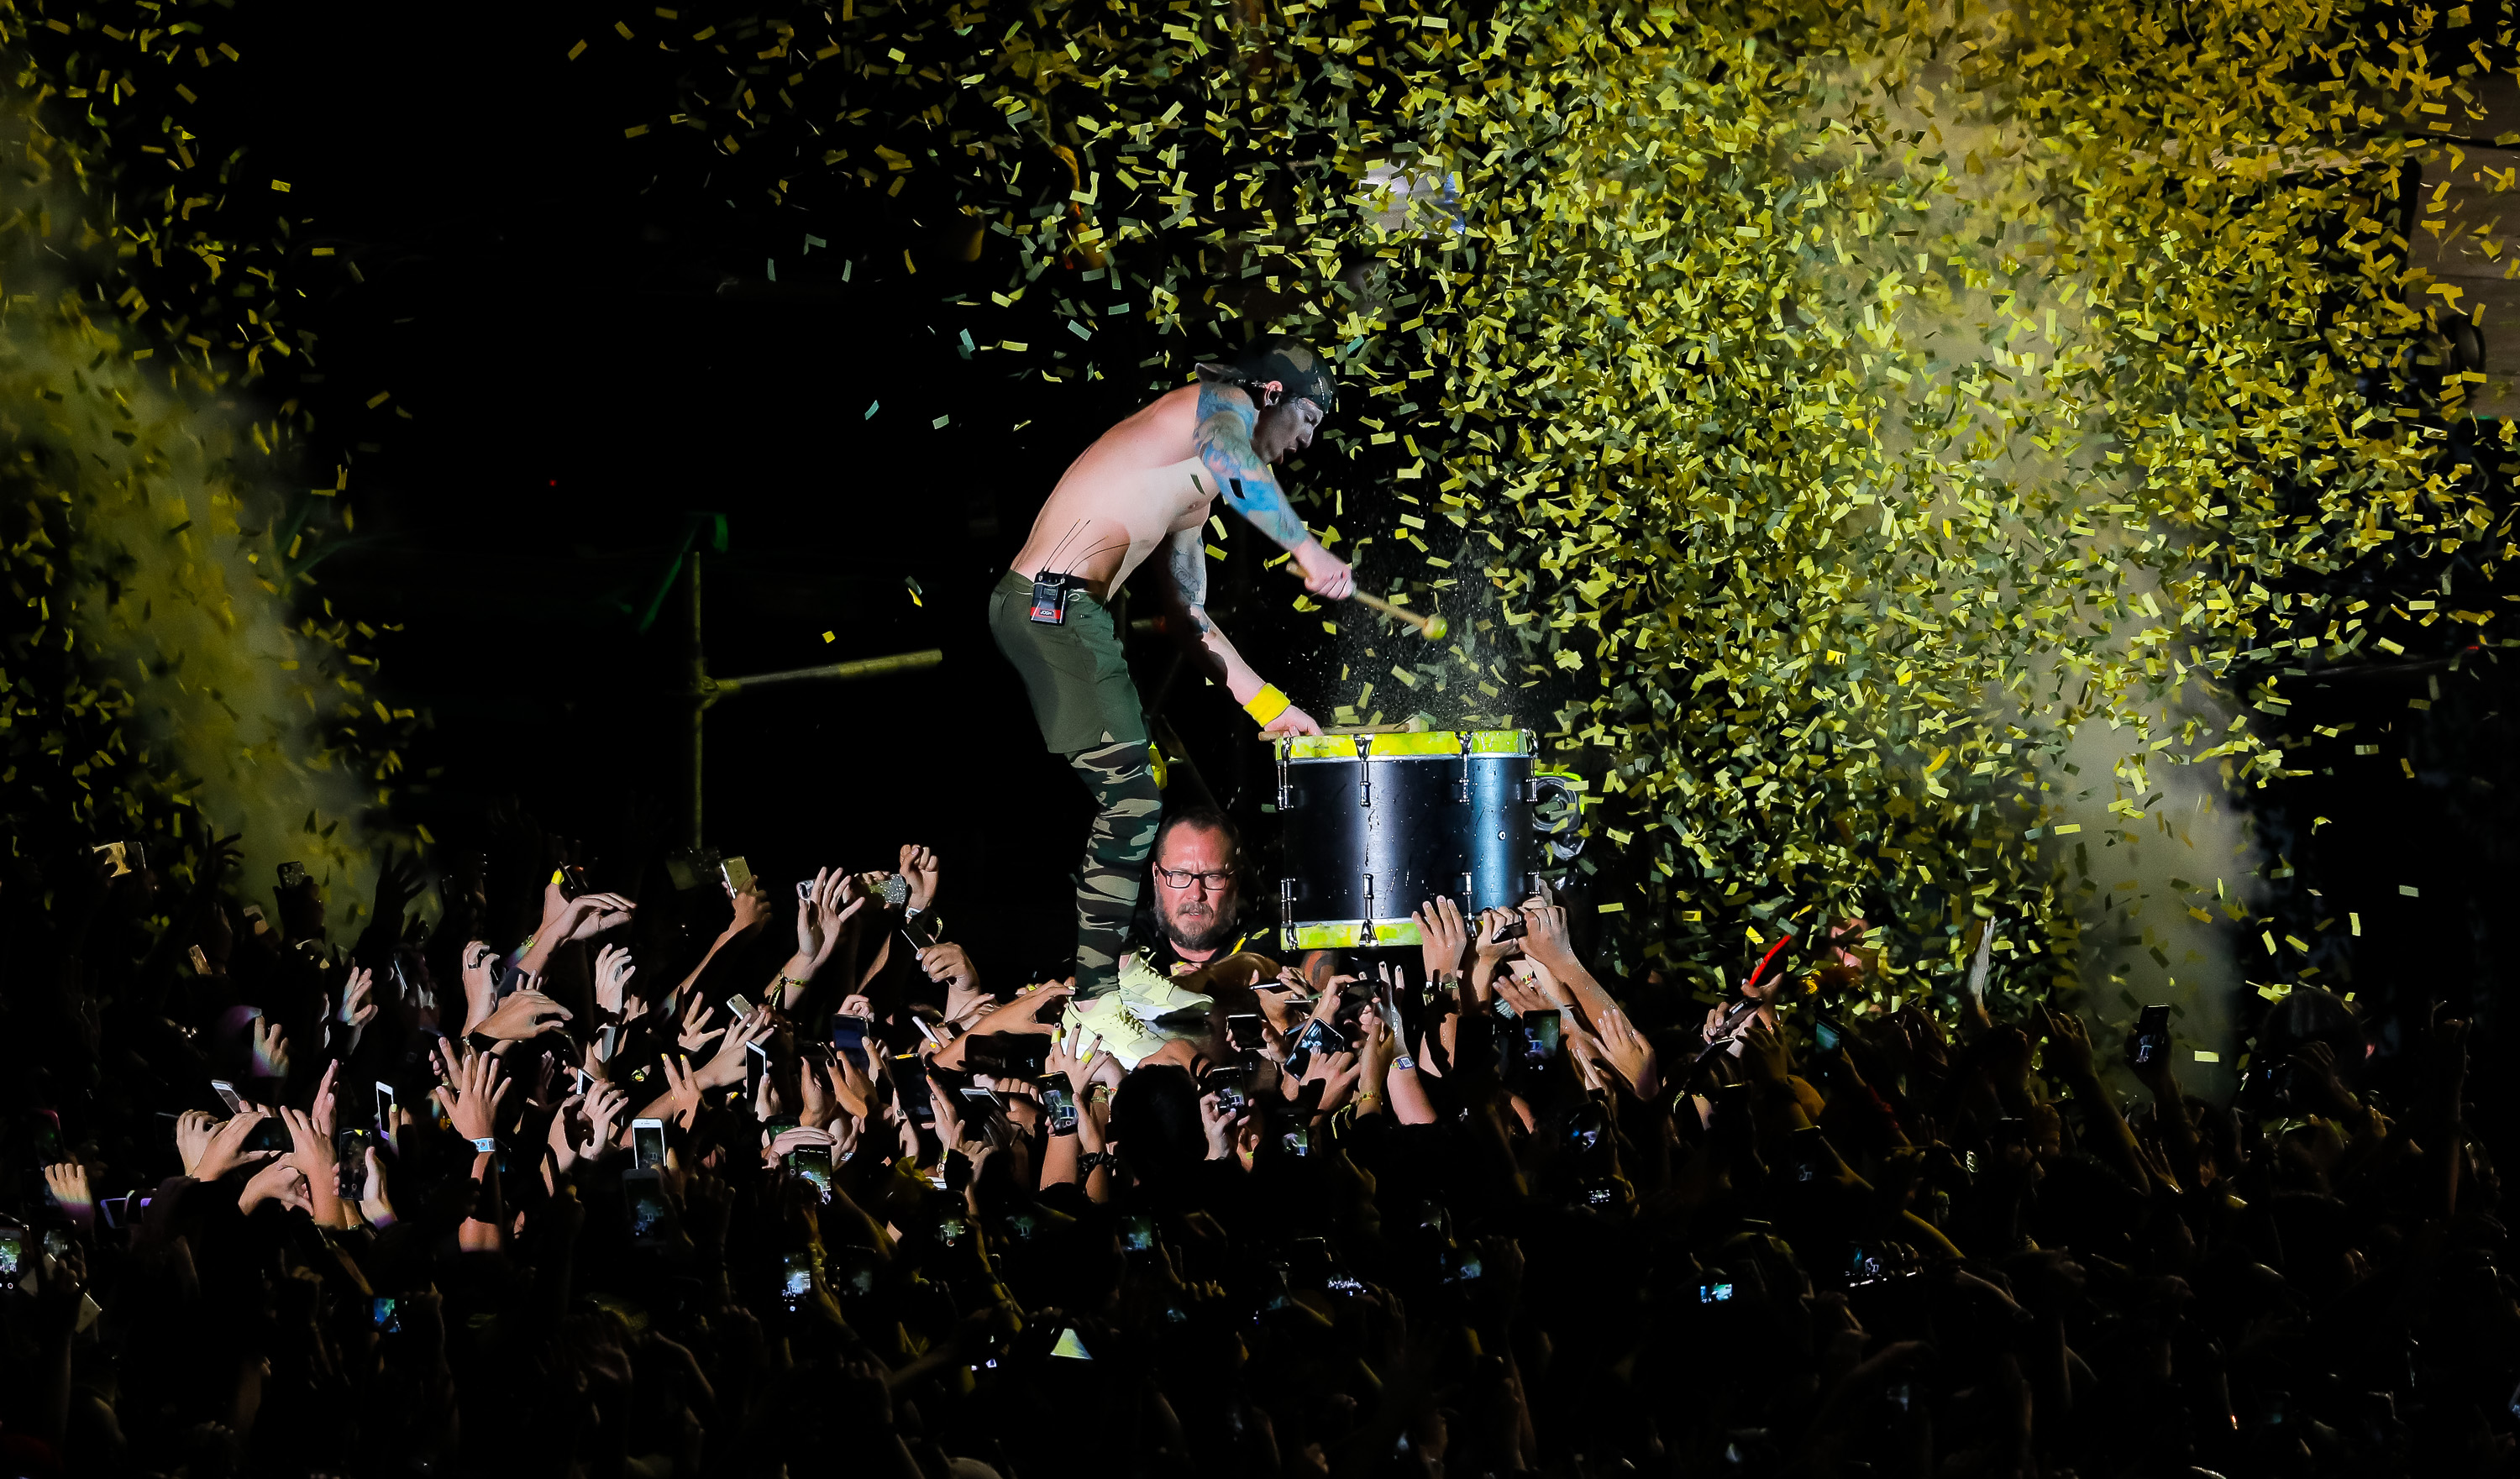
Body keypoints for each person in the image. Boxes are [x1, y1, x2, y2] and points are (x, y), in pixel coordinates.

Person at [988, 336, 1354, 1006]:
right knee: (1132, 800)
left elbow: (1189, 618)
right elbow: (1231, 454)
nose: (1305, 443)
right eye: (1307, 420)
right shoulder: (1213, 405)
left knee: (1138, 789)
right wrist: (1307, 549)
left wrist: (1271, 706)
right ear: (1273, 394)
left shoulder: (1193, 496)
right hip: (1054, 605)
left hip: (1067, 613)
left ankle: (1108, 983)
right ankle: (1100, 997)